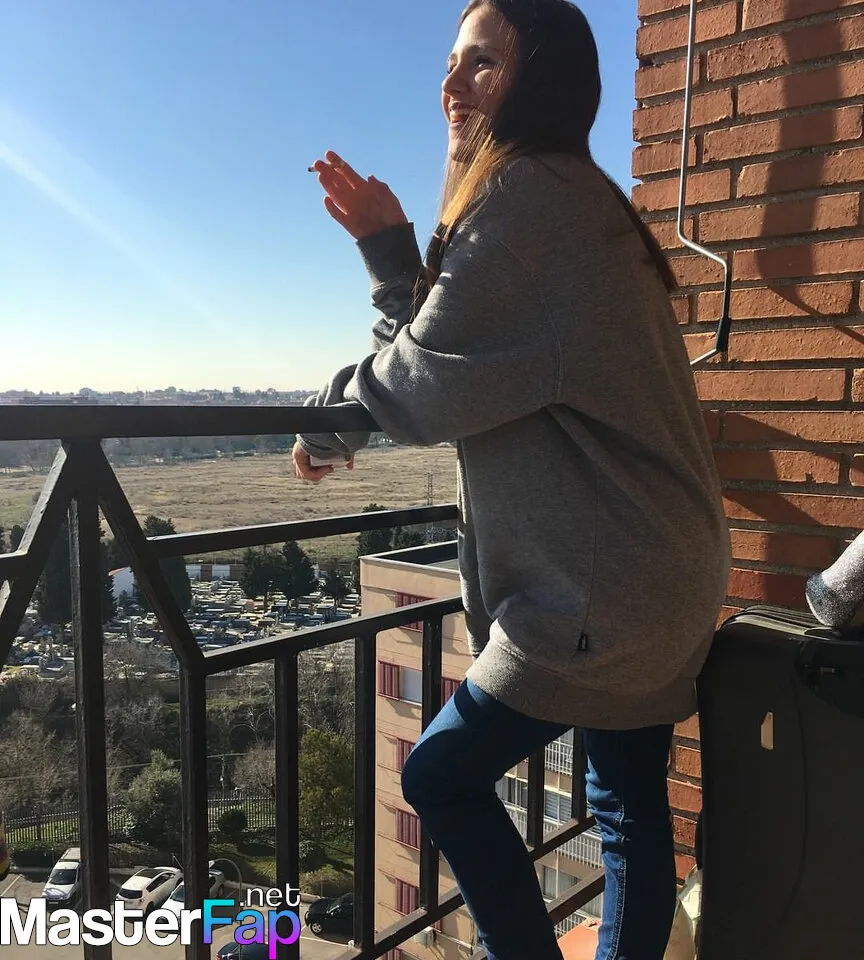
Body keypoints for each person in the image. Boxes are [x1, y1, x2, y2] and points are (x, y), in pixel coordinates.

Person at [292, 1, 731, 958]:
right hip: (657, 566)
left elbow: (423, 384)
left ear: (544, 80)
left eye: (483, 63)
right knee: (626, 805)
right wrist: (393, 251)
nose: (451, 83)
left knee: (439, 775)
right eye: (452, 61)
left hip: (602, 587)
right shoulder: (569, 196)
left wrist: (329, 424)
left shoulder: (531, 200)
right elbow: (450, 346)